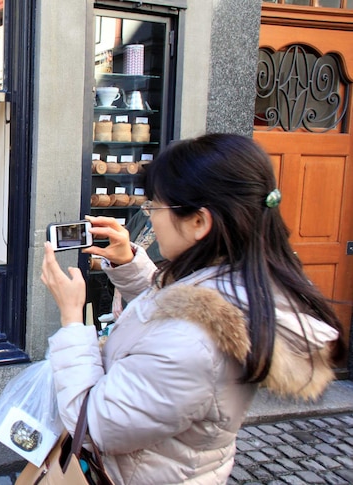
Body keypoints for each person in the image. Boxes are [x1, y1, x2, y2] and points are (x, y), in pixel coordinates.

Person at [40, 133, 344, 484]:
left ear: (199, 222)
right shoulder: (234, 286)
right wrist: (130, 266)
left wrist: (72, 319)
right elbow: (180, 310)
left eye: (155, 207)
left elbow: (95, 424)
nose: (150, 217)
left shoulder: (194, 343)